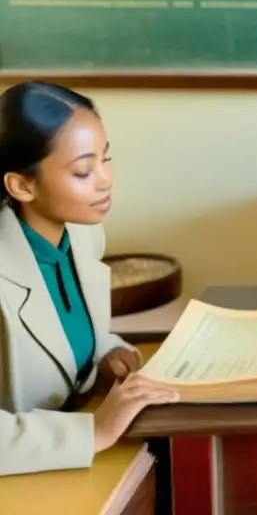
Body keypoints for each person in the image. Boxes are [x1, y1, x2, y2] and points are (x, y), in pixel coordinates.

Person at [0, 82, 178, 477]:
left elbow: (64, 336)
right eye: (83, 169)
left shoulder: (82, 233)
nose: (105, 180)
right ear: (22, 185)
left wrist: (107, 354)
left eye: (106, 158)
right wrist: (94, 431)